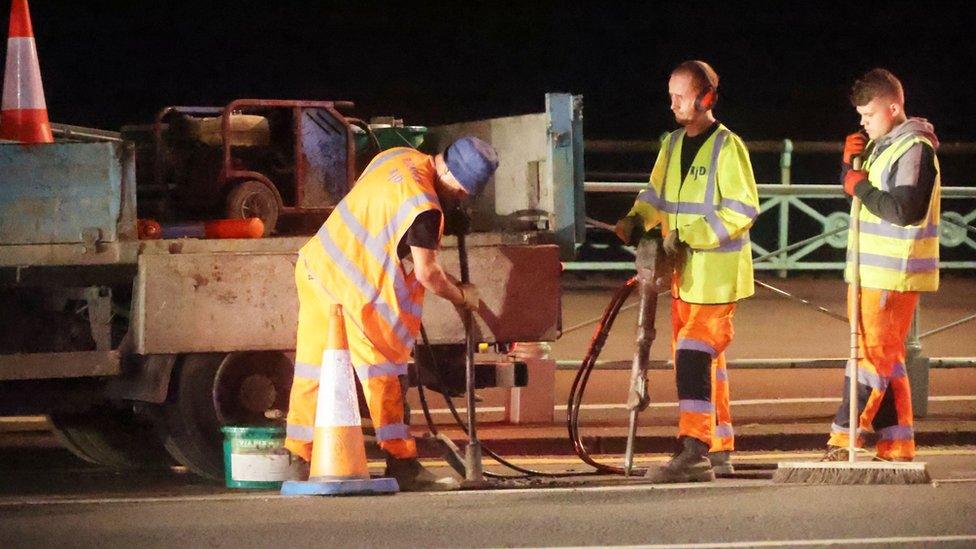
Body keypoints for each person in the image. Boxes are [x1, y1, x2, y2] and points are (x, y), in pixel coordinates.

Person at [285, 137, 498, 491]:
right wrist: (462, 294)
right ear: (452, 177)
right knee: (384, 371)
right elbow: (428, 274)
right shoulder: (425, 208)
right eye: (460, 193)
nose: (460, 200)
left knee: (313, 367)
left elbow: (378, 215)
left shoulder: (398, 156)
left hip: (318, 267)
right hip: (358, 289)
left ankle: (298, 458)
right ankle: (401, 463)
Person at [615, 60, 759, 483]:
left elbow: (742, 209)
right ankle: (720, 449)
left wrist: (689, 234)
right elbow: (655, 196)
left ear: (706, 98)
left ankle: (693, 451)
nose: (672, 102)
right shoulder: (673, 144)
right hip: (683, 279)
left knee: (693, 354)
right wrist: (634, 219)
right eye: (671, 94)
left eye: (680, 95)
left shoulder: (728, 147)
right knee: (706, 363)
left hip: (716, 278)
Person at [824, 68, 940, 462]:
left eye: (869, 115)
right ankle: (897, 444)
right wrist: (848, 169)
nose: (863, 122)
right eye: (860, 116)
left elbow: (904, 210)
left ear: (893, 107)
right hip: (870, 272)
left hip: (893, 273)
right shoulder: (883, 146)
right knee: (884, 359)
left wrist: (859, 184)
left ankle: (843, 440)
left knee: (870, 357)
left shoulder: (914, 149)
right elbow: (861, 198)